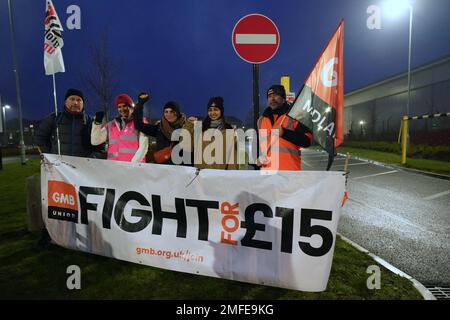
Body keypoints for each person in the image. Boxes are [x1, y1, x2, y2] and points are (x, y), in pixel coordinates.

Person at [257, 85, 312, 171]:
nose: (272, 99)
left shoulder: (295, 116)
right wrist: (259, 158)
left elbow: (307, 141)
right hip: (267, 173)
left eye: (275, 95)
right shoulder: (261, 120)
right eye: (270, 96)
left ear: (283, 99)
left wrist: (285, 133)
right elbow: (262, 146)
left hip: (289, 172)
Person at [134, 93, 192, 165]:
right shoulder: (160, 128)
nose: (168, 114)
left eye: (172, 111)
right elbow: (139, 125)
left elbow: (191, 152)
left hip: (180, 171)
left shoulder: (186, 127)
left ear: (177, 113)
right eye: (166, 112)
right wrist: (140, 104)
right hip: (162, 170)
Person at [35, 88, 94, 157]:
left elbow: (99, 147)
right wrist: (50, 156)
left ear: (83, 104)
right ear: (65, 102)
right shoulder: (54, 118)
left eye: (79, 100)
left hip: (82, 165)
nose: (75, 103)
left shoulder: (90, 121)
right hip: (59, 165)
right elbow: (40, 138)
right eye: (72, 99)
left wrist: (91, 159)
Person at [91, 93, 148, 163]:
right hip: (113, 168)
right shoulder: (111, 125)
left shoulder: (140, 122)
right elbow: (95, 141)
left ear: (131, 107)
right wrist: (97, 123)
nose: (122, 109)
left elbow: (143, 147)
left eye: (125, 106)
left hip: (132, 169)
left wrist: (132, 165)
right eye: (119, 107)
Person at [187, 97, 239, 170]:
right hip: (201, 176)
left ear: (221, 111)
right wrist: (189, 126)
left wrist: (230, 176)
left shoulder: (229, 130)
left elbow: (233, 157)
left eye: (216, 109)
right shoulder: (200, 128)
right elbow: (187, 146)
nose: (212, 113)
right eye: (210, 110)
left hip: (219, 176)